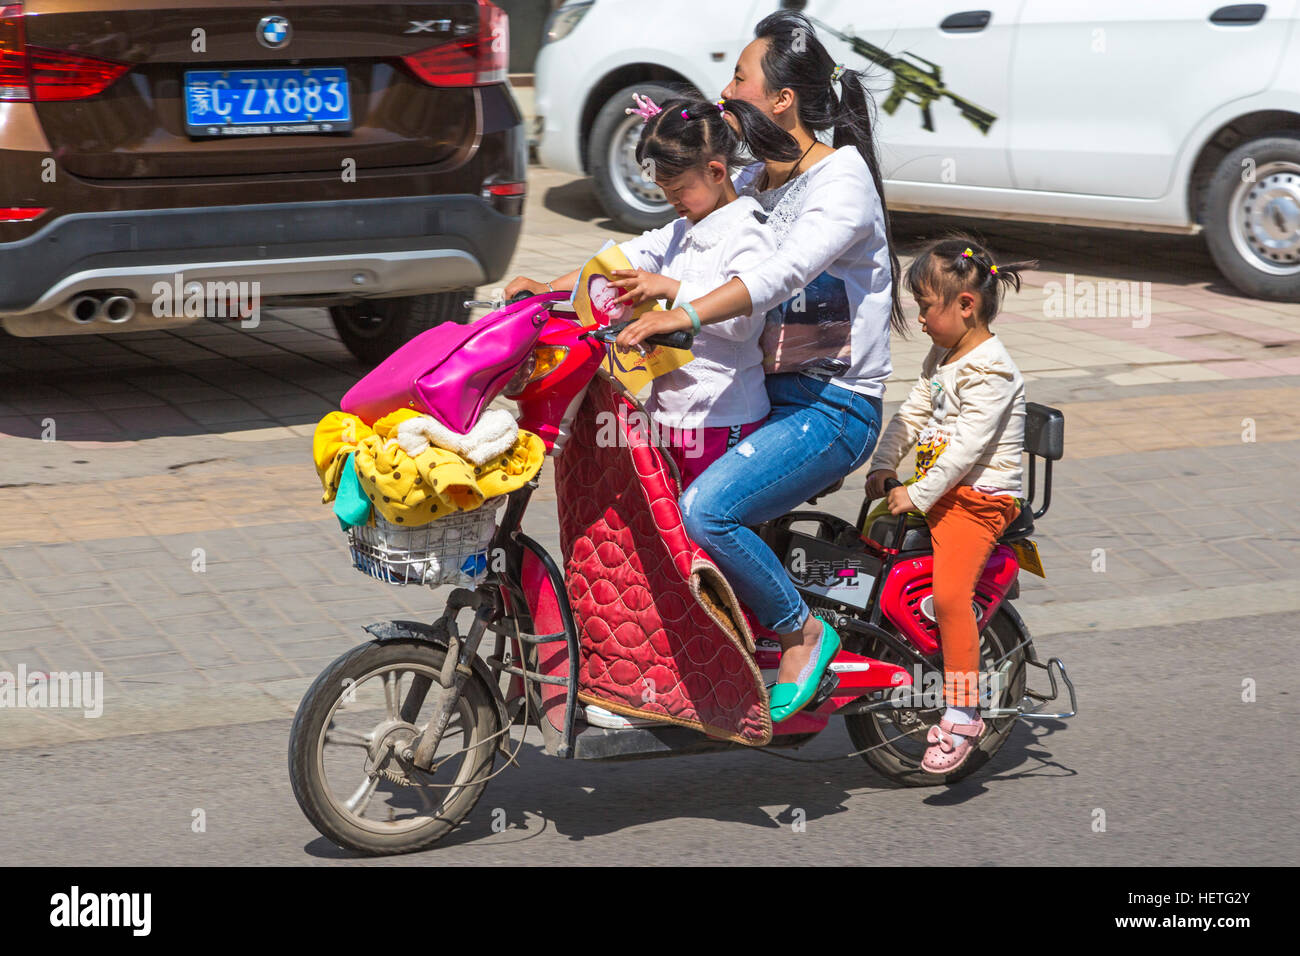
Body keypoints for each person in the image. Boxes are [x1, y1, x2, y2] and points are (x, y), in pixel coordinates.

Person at [614, 11, 908, 722]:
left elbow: (779, 275)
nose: (726, 88)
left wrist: (679, 314)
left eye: (740, 77)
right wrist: (562, 285)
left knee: (706, 513)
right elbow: (664, 240)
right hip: (765, 399)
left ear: (782, 99)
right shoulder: (752, 176)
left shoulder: (841, 181)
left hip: (830, 409)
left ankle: (805, 634)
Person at [505, 94, 801, 486]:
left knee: (703, 531)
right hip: (667, 414)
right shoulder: (681, 229)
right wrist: (546, 288)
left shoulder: (749, 234)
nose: (671, 201)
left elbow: (742, 327)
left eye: (678, 189)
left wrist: (667, 288)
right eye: (664, 190)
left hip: (723, 416)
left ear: (716, 171)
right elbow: (618, 263)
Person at [864, 237, 1034, 774]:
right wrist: (883, 465)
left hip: (978, 501)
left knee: (950, 595)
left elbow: (965, 450)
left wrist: (915, 491)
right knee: (868, 541)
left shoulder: (993, 372)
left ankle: (963, 711)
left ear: (966, 305)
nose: (918, 319)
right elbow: (914, 412)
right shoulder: (945, 354)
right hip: (941, 490)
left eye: (924, 307)